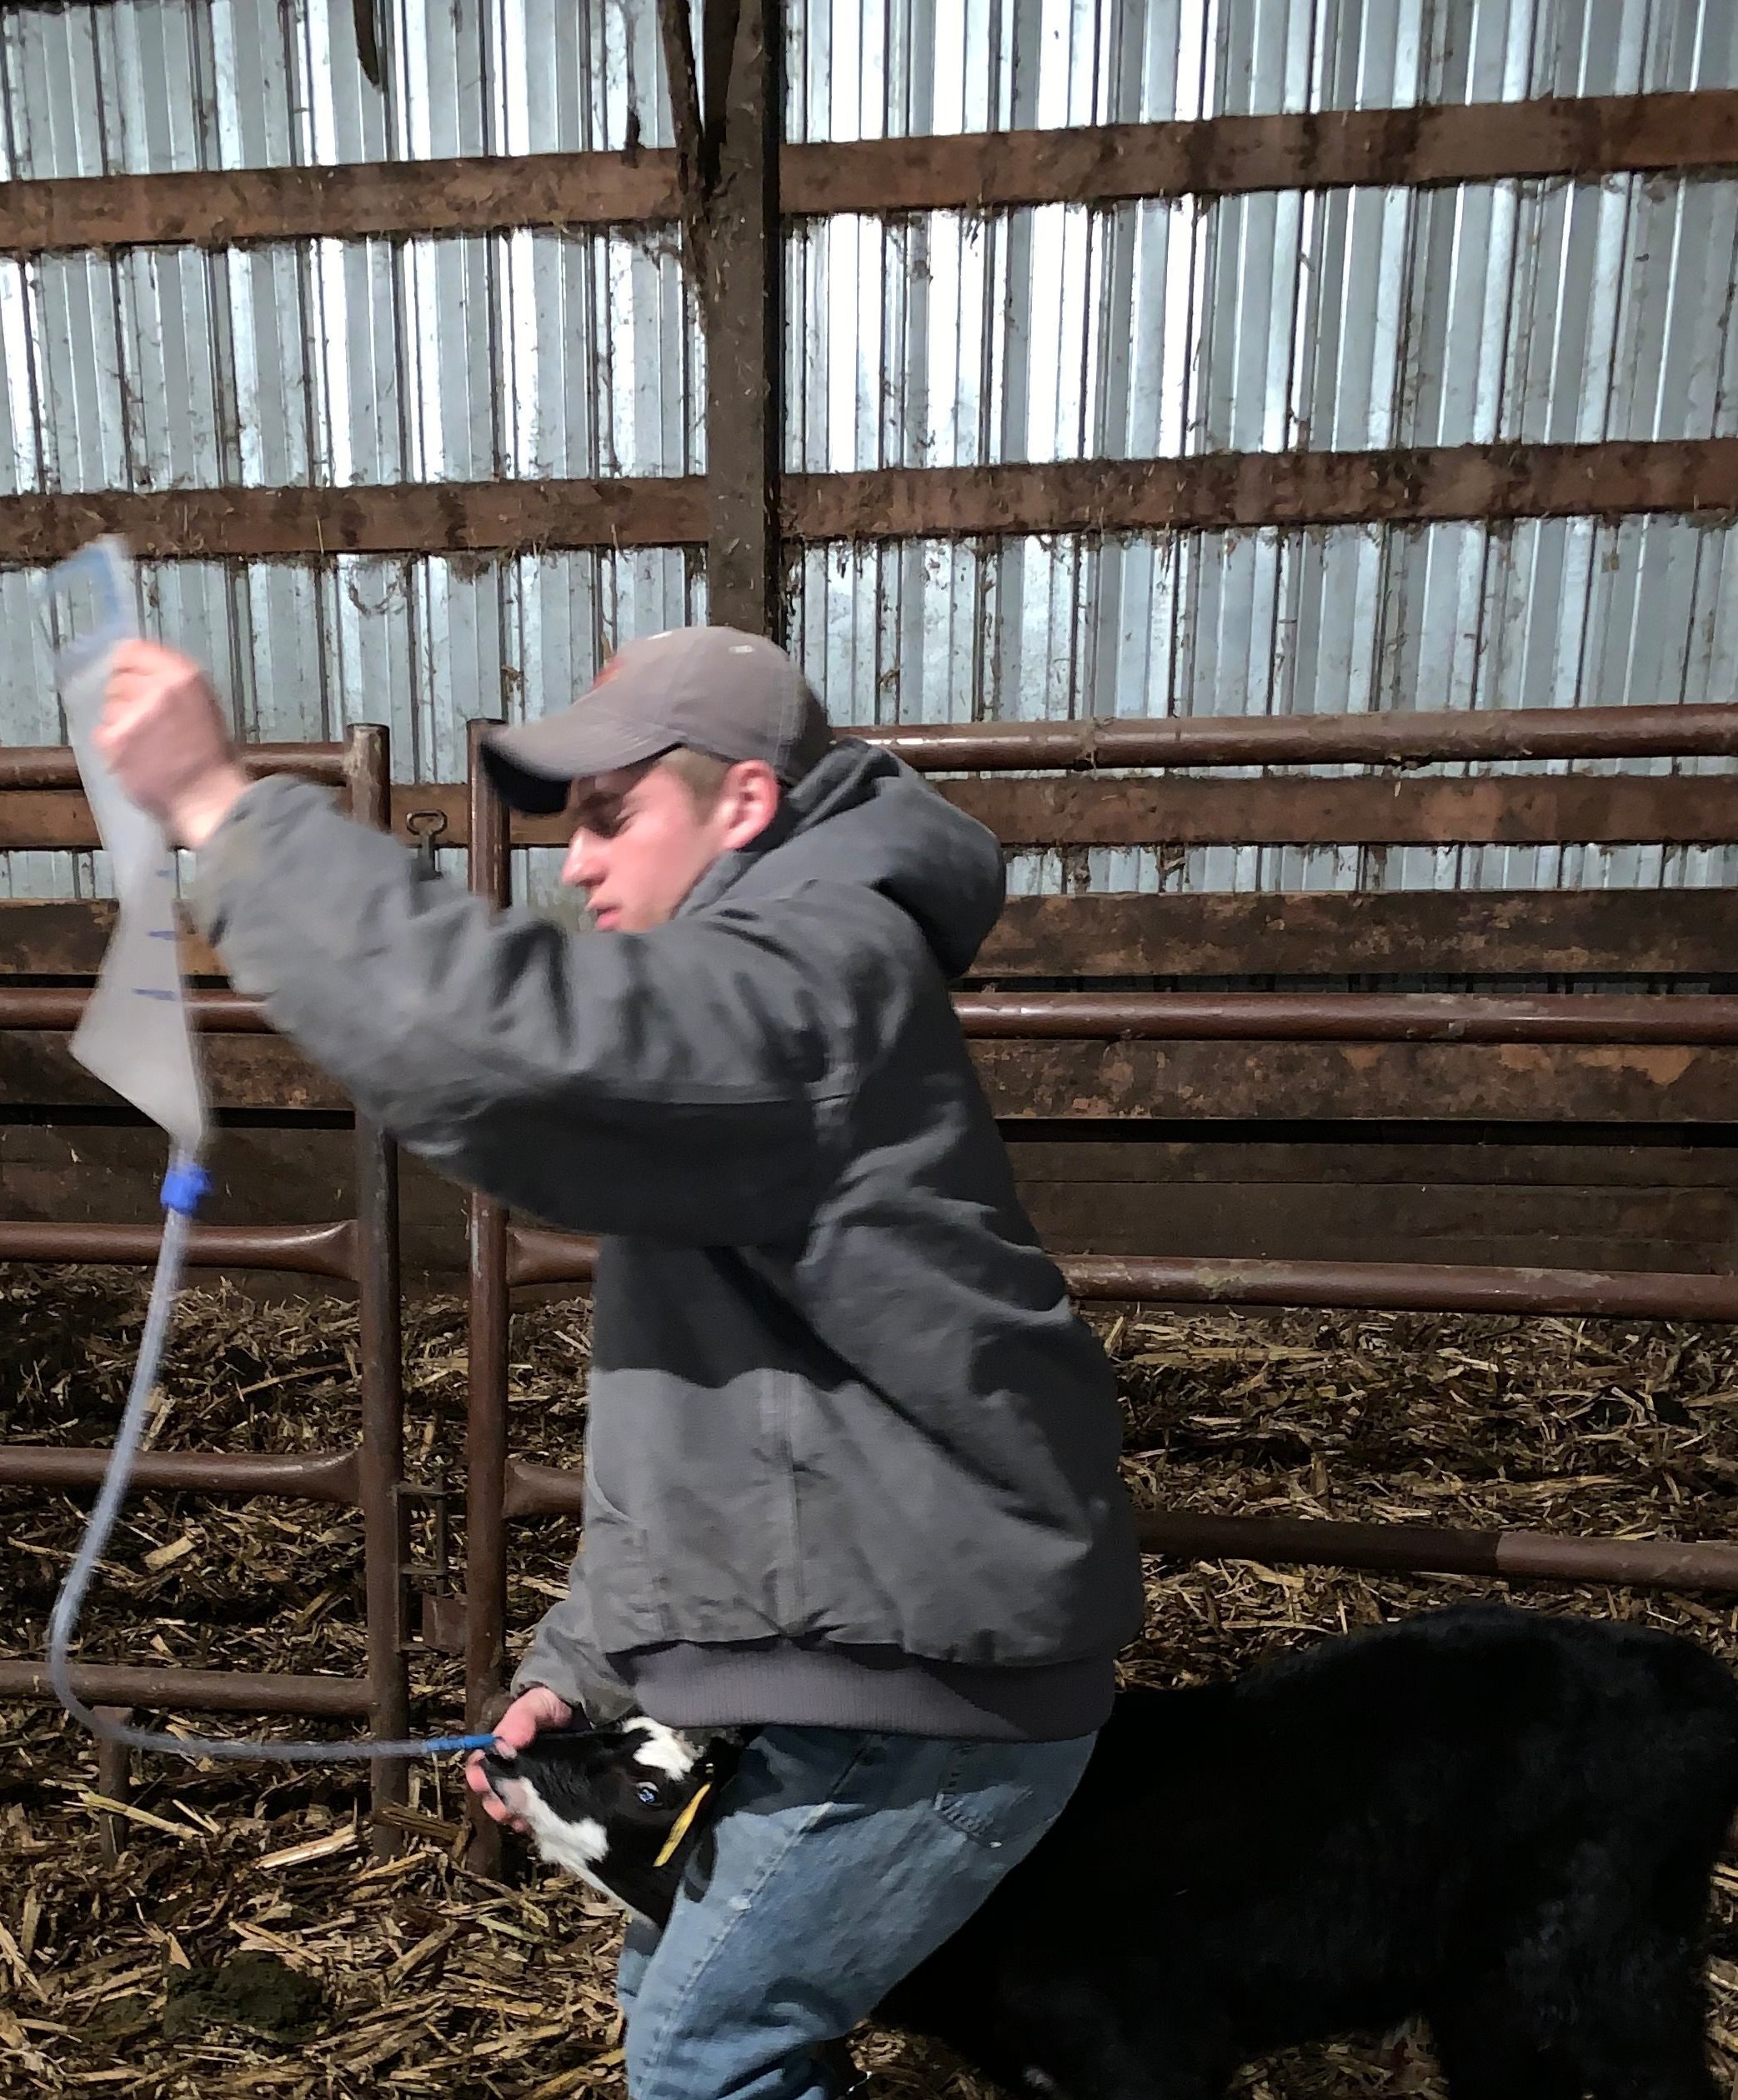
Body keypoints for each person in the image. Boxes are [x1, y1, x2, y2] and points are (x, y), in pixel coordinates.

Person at [98, 624, 1142, 2100]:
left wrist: (222, 808)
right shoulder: (786, 1001)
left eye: (611, 815)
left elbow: (518, 1048)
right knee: (677, 1989)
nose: (575, 866)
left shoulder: (809, 977)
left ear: (746, 807)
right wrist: (583, 1671)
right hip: (885, 1664)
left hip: (929, 1699)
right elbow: (734, 1426)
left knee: (711, 2047)